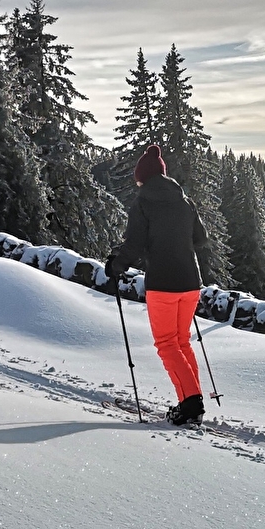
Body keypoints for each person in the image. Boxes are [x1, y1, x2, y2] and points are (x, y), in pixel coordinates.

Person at [104, 144, 210, 425]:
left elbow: (134, 245)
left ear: (143, 178)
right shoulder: (185, 201)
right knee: (181, 341)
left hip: (163, 284)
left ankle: (190, 403)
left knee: (166, 344)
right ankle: (192, 398)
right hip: (190, 282)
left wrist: (116, 265)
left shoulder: (143, 203)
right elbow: (200, 239)